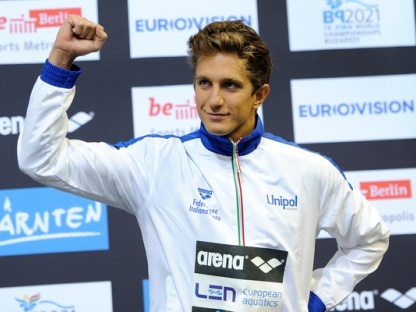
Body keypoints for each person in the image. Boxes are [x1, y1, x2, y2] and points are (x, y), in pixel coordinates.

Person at [17, 15, 389, 312]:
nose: (213, 100)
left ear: (259, 94)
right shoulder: (154, 163)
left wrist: (314, 298)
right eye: (203, 83)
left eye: (230, 85)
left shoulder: (308, 170)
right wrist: (61, 61)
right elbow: (41, 157)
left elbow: (369, 240)